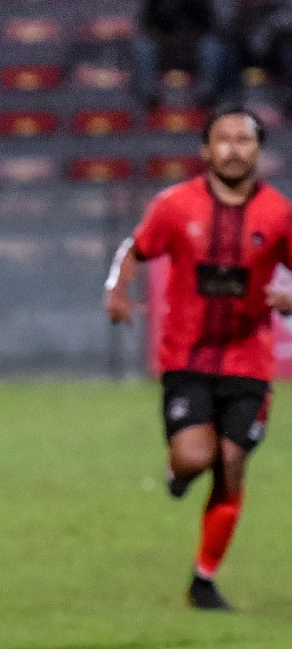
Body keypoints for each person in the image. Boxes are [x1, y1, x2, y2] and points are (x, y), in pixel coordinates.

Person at [105, 105, 292, 610]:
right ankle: (179, 474)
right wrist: (117, 291)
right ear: (206, 150)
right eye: (223, 140)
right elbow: (134, 249)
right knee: (195, 456)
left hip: (250, 364)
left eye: (244, 139)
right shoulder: (175, 205)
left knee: (232, 465)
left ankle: (203, 580)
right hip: (187, 359)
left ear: (259, 149)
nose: (233, 149)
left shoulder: (279, 213)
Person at [132, 0, 234, 110]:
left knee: (213, 47)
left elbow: (210, 29)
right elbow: (147, 28)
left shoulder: (202, 3)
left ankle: (206, 98)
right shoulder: (155, 3)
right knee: (142, 47)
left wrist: (187, 45)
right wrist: (169, 44)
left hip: (193, 49)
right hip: (163, 49)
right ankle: (150, 99)